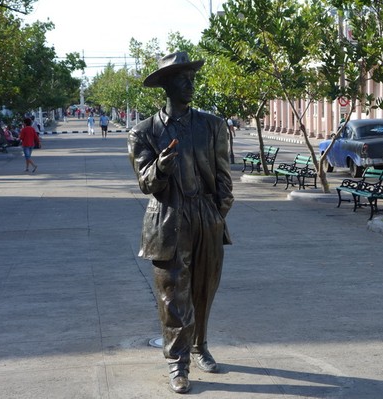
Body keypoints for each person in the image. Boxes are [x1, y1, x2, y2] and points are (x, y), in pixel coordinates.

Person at [127, 51, 234, 394]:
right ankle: (178, 363)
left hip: (205, 217)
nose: (190, 84)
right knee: (173, 296)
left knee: (204, 288)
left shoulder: (212, 125)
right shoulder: (144, 132)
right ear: (167, 84)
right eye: (183, 78)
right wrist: (161, 167)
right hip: (168, 218)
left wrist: (218, 213)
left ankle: (201, 345)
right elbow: (146, 183)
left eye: (192, 78)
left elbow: (223, 177)